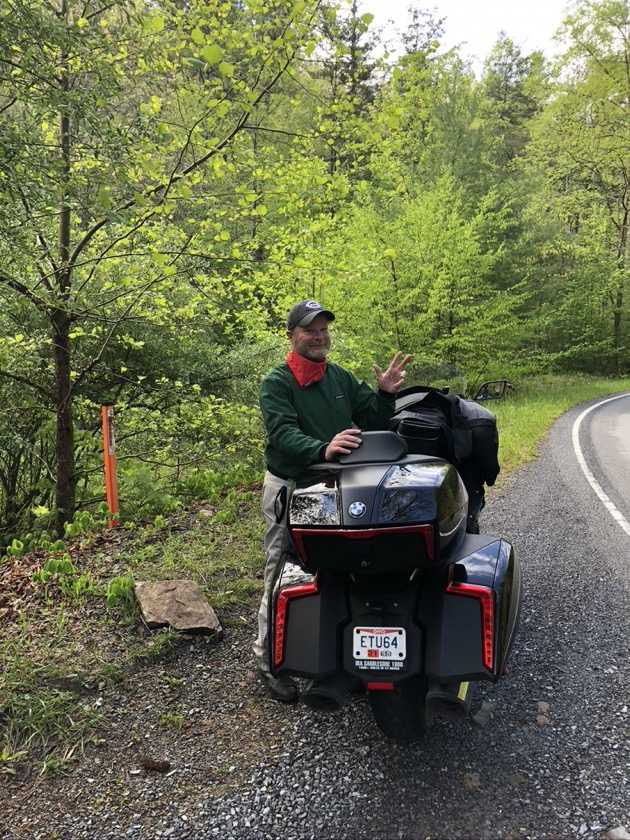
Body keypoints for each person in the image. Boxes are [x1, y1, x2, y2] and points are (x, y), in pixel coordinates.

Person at [254, 299, 411, 702]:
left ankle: (337, 655)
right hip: (291, 487)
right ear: (291, 337)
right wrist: (323, 448)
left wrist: (384, 393)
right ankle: (268, 661)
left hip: (335, 488)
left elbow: (373, 419)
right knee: (283, 569)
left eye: (324, 329)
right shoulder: (277, 382)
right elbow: (282, 434)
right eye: (310, 330)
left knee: (339, 566)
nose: (320, 336)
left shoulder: (338, 376)